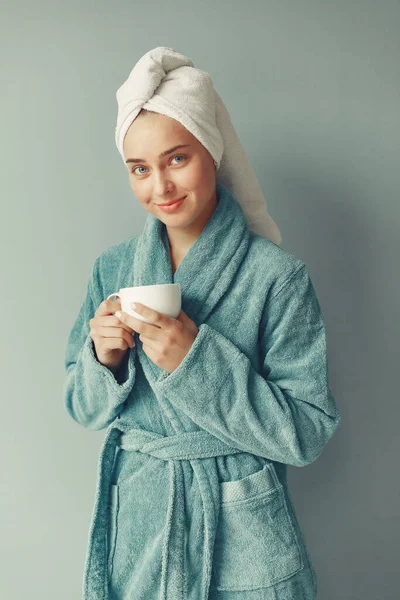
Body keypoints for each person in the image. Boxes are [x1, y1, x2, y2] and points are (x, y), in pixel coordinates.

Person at [63, 47, 341, 600]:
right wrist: (103, 361)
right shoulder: (113, 270)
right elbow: (81, 406)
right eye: (139, 169)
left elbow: (308, 432)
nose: (159, 187)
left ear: (212, 152)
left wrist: (198, 363)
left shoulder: (276, 278)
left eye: (177, 159)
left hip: (240, 527)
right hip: (139, 521)